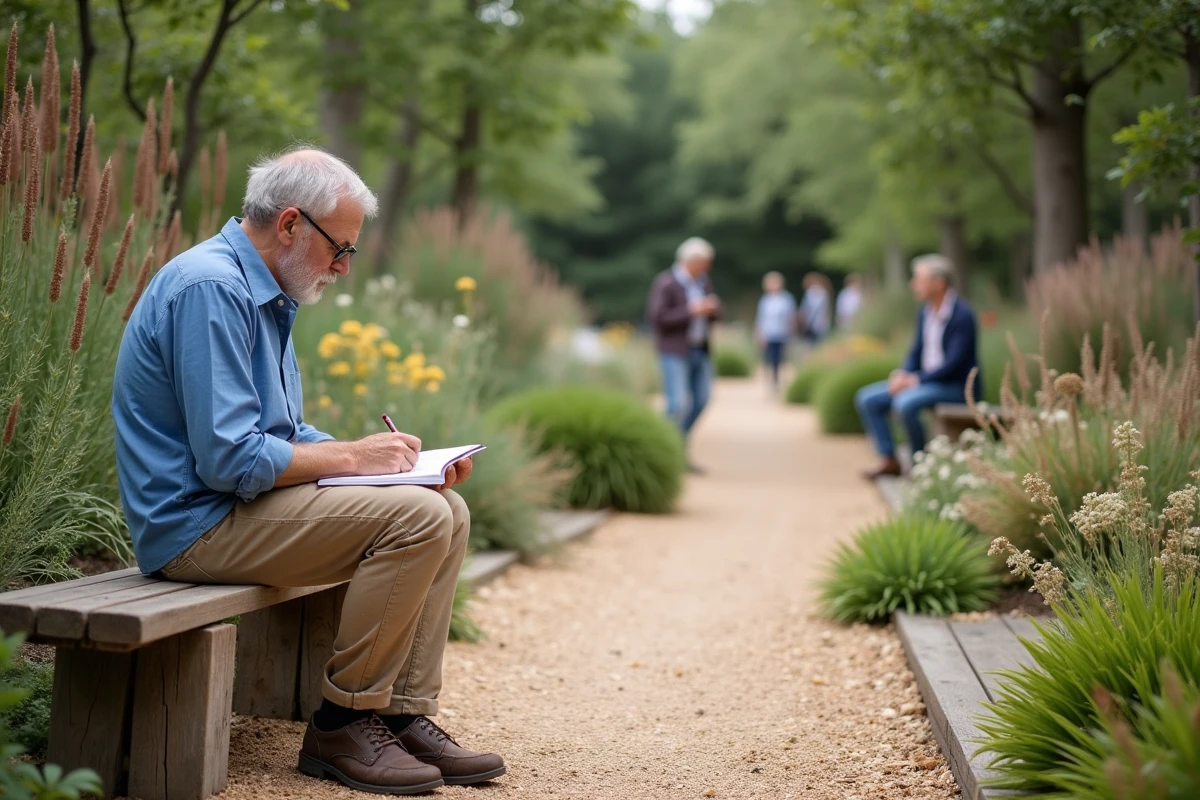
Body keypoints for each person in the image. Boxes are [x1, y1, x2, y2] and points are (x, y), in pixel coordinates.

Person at [112, 146, 505, 795]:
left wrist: (399, 466)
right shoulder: (213, 287)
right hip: (194, 525)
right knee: (416, 520)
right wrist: (356, 458)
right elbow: (231, 459)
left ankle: (399, 713)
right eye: (340, 249)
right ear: (290, 224)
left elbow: (282, 435)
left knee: (445, 509)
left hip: (233, 511)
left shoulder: (263, 290)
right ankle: (342, 723)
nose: (345, 268)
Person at [853, 254, 980, 479]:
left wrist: (915, 381)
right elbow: (916, 350)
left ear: (938, 284)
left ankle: (920, 465)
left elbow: (954, 364)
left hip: (955, 386)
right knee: (867, 399)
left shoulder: (962, 315)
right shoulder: (925, 311)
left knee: (905, 403)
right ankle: (889, 460)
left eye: (919, 279)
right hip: (924, 382)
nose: (914, 285)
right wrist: (902, 374)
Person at [647, 237, 722, 472]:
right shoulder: (666, 283)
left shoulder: (702, 282)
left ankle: (677, 446)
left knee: (702, 399)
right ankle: (659, 453)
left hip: (700, 349)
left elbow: (717, 313)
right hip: (674, 351)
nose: (706, 268)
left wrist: (712, 308)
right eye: (704, 263)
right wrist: (691, 310)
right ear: (691, 261)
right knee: (676, 404)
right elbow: (658, 318)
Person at [754, 271, 797, 391]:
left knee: (780, 358)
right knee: (769, 359)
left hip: (782, 333)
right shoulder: (765, 300)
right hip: (769, 334)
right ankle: (772, 381)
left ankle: (779, 381)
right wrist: (759, 334)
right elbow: (761, 319)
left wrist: (792, 333)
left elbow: (791, 317)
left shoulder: (786, 299)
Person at [798, 272, 832, 344]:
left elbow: (805, 309)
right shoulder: (824, 293)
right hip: (822, 323)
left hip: (811, 323)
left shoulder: (810, 293)